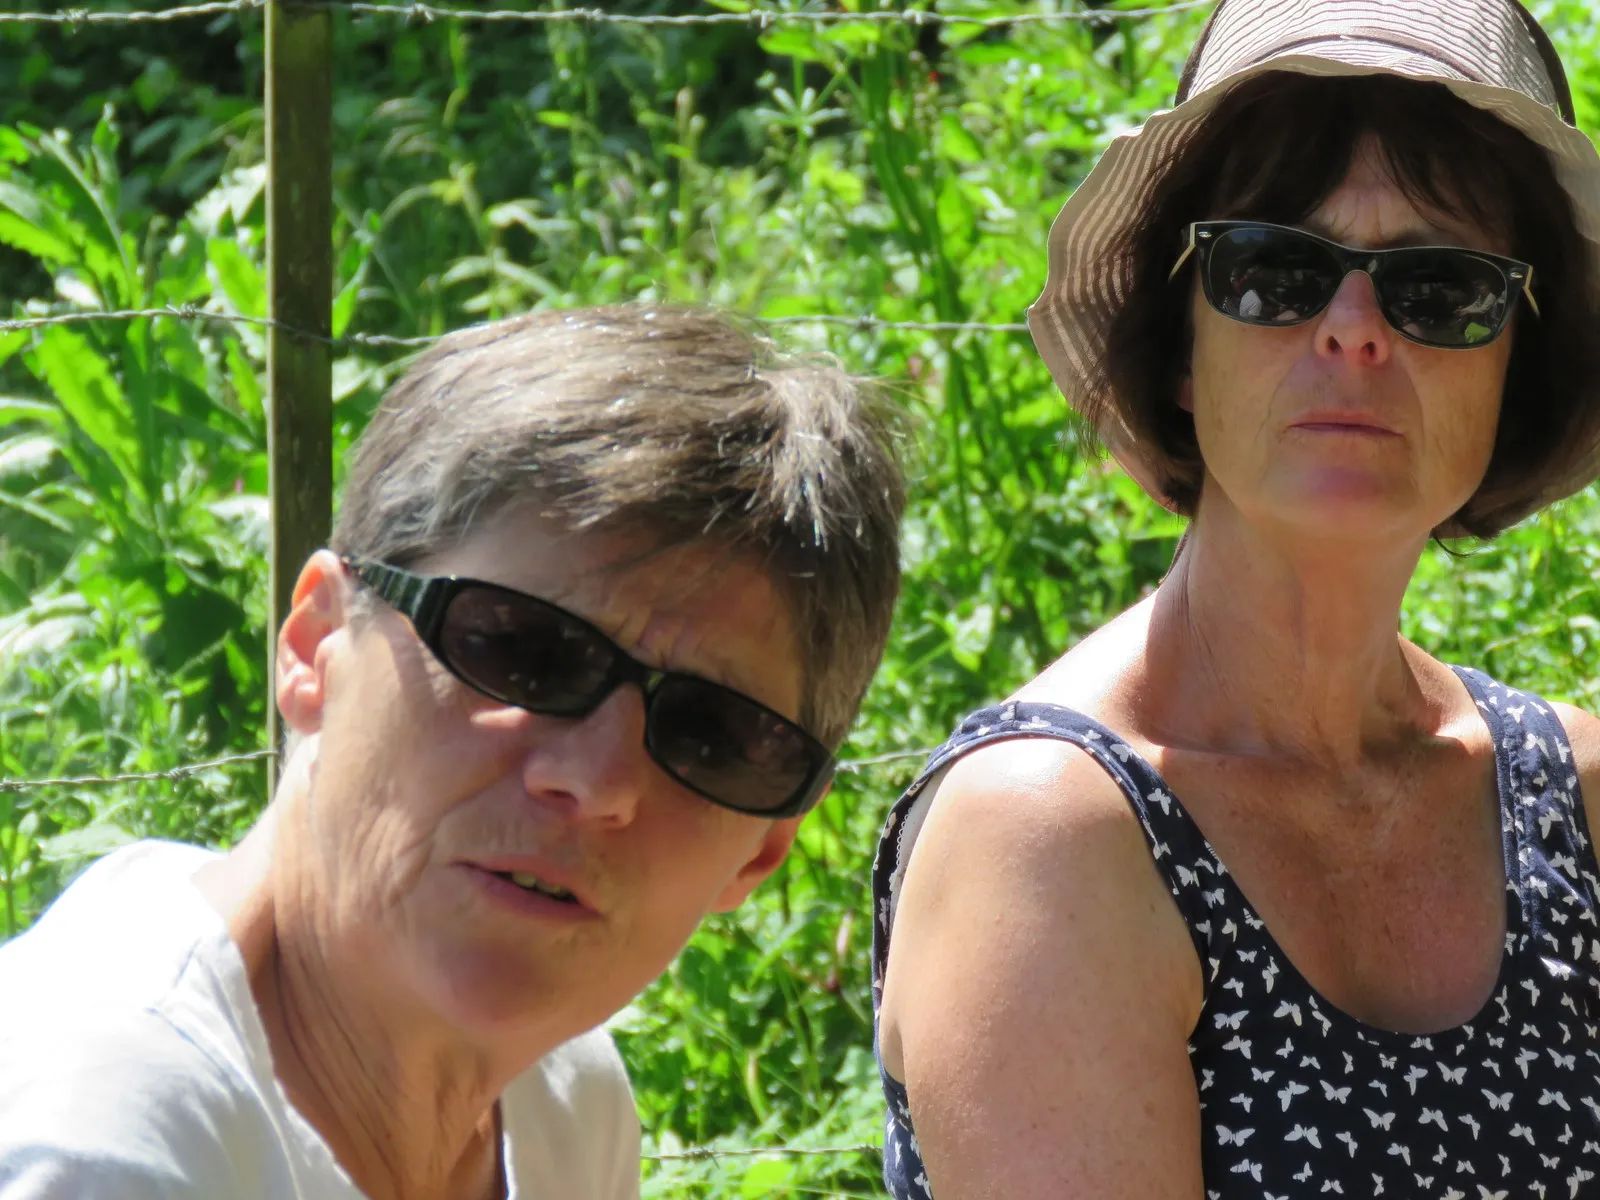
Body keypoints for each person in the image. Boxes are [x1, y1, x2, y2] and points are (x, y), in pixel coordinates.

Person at [871, 1, 1600, 1196]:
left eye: (1440, 287)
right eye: (1272, 271)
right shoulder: (1050, 833)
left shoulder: (1572, 797)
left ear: (1518, 368)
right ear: (1176, 346)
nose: (1354, 332)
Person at [0, 304, 905, 1200]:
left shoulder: (568, 1106)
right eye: (521, 649)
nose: (596, 781)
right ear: (316, 646)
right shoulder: (100, 1146)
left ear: (764, 847)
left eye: (712, 735)